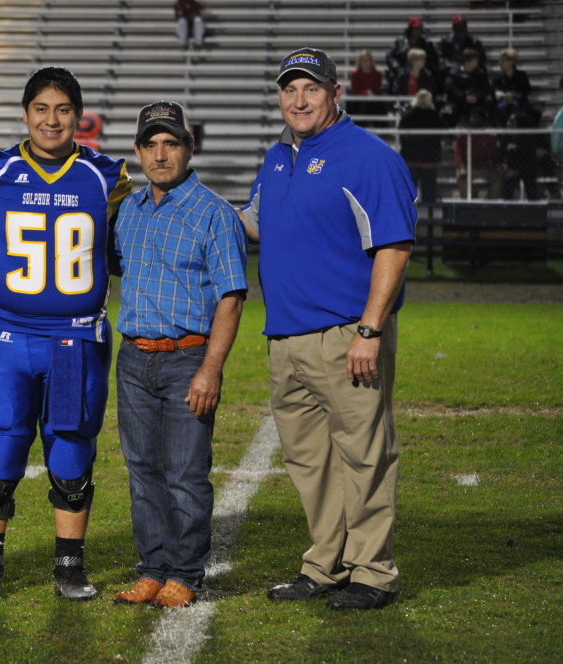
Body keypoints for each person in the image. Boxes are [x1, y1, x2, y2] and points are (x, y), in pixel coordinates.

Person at [239, 48, 417, 610]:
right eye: (289, 89)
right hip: (285, 336)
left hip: (346, 336)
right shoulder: (276, 156)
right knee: (310, 461)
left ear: (335, 93)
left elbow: (394, 244)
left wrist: (369, 329)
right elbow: (256, 224)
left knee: (364, 456)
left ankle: (373, 573)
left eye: (311, 89)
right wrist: (189, 205)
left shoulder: (368, 157)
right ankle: (327, 564)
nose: (299, 100)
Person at [0, 66, 132, 601]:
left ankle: (70, 565)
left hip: (77, 336)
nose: (52, 119)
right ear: (25, 113)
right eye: (42, 108)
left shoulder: (107, 176)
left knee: (70, 448)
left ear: (78, 117)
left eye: (63, 109)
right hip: (10, 335)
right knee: (2, 442)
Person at [110, 101, 248, 609]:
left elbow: (232, 297)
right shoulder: (130, 210)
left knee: (185, 474)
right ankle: (152, 568)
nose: (161, 153)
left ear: (189, 148)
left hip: (188, 358)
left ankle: (186, 573)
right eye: (152, 143)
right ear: (139, 151)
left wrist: (211, 369)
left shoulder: (214, 212)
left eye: (172, 143)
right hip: (133, 358)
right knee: (143, 470)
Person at [398, 90, 447, 205]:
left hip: (410, 158)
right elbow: (443, 132)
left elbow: (401, 134)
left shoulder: (408, 115)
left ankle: (406, 218)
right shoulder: (434, 115)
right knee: (429, 191)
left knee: (408, 192)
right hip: (430, 159)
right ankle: (430, 216)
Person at [454, 107, 502, 199]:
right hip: (468, 167)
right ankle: (467, 202)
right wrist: (462, 168)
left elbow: (494, 154)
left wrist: (497, 165)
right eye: (472, 117)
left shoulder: (488, 136)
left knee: (499, 179)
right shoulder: (463, 135)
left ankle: (488, 203)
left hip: (485, 167)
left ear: (482, 120)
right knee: (461, 177)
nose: (472, 119)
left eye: (476, 117)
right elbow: (458, 154)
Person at [385, 16, 440, 89]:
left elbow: (435, 58)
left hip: (421, 72)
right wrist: (397, 67)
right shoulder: (401, 42)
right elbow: (389, 56)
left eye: (420, 29)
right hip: (404, 70)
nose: (418, 31)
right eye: (416, 29)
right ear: (410, 29)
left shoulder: (426, 43)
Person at [441, 48, 491, 128]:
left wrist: (477, 97)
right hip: (458, 101)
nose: (476, 63)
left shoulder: (481, 74)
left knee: (489, 102)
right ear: (467, 61)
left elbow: (486, 89)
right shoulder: (454, 74)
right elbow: (449, 89)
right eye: (474, 60)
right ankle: (449, 136)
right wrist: (464, 97)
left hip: (477, 101)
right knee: (448, 109)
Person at [498, 111, 541, 200]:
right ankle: (508, 206)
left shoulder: (527, 137)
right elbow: (501, 152)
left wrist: (519, 169)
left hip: (527, 167)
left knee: (530, 184)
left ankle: (534, 206)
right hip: (511, 167)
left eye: (512, 121)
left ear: (519, 123)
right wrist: (503, 163)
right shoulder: (506, 136)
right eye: (508, 121)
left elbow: (529, 156)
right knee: (508, 180)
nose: (508, 123)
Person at [491, 49, 532, 127]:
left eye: (503, 61)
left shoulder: (521, 75)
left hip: (518, 102)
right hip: (502, 102)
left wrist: (513, 95)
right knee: (501, 109)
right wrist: (502, 95)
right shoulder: (497, 76)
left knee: (517, 110)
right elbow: (493, 89)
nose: (500, 63)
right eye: (500, 61)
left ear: (512, 62)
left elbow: (526, 90)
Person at [438, 14, 486, 79]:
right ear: (454, 27)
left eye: (463, 25)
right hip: (450, 69)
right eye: (459, 26)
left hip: (469, 69)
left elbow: (481, 58)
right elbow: (440, 58)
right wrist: (450, 65)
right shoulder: (445, 41)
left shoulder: (474, 42)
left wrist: (470, 65)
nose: (461, 28)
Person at [347, 50, 385, 120]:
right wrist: (366, 93)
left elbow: (377, 89)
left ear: (371, 61)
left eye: (368, 60)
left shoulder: (377, 74)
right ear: (360, 62)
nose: (366, 63)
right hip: (359, 102)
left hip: (374, 100)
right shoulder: (354, 74)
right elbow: (355, 90)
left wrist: (370, 94)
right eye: (363, 61)